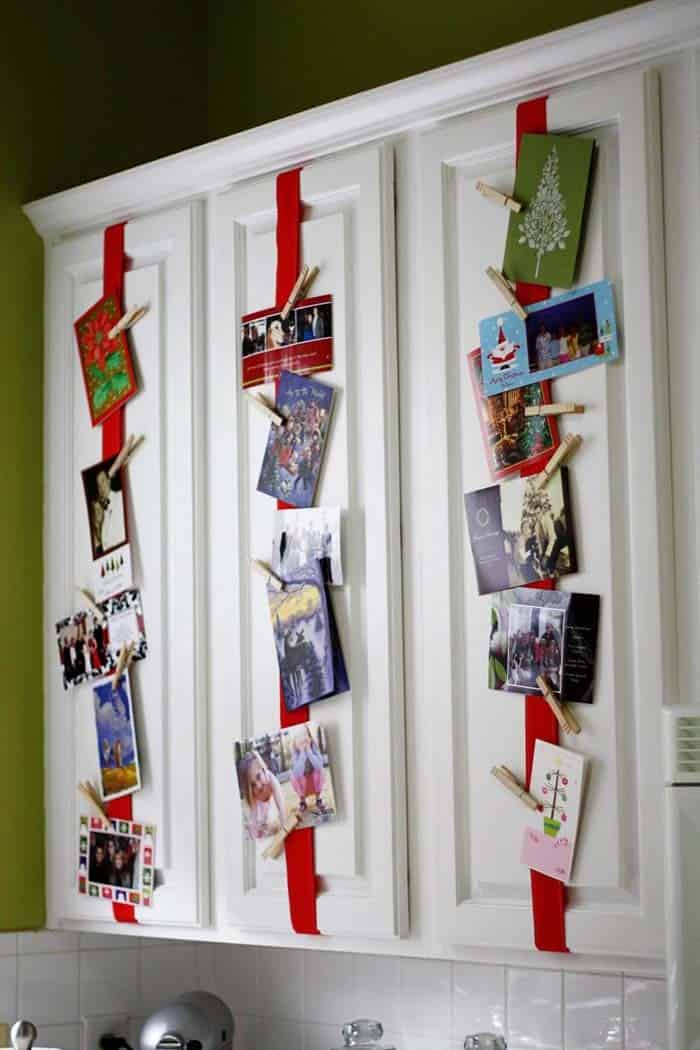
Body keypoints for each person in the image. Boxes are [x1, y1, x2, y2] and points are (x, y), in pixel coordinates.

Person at [238, 750, 287, 839]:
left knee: (272, 823)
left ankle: (266, 824)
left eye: (258, 777)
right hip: (259, 806)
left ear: (263, 769)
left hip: (271, 802)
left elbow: (281, 804)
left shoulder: (270, 778)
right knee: (256, 827)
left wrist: (284, 826)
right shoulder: (252, 794)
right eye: (253, 785)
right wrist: (254, 836)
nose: (259, 786)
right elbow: (253, 818)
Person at [290, 725, 327, 814]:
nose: (302, 738)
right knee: (293, 776)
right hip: (304, 784)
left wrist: (309, 752)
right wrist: (303, 753)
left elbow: (319, 766)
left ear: (310, 738)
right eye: (299, 736)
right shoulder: (295, 753)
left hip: (314, 782)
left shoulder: (314, 748)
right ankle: (303, 801)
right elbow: (298, 773)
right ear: (295, 742)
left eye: (304, 734)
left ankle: (318, 799)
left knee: (321, 771)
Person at [90, 466, 126, 556]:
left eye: (102, 481)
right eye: (98, 485)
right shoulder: (103, 515)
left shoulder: (121, 497)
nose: (101, 487)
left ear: (109, 480)